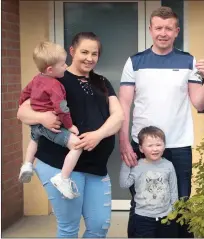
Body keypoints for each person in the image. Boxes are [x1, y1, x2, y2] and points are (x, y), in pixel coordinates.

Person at [16, 32, 124, 238]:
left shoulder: (102, 81)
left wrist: (98, 135)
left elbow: (118, 116)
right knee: (69, 228)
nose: (89, 58)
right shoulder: (56, 76)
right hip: (60, 166)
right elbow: (22, 111)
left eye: (95, 53)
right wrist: (43, 118)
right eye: (84, 52)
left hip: (96, 166)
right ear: (72, 51)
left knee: (99, 227)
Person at [118, 6, 204, 238]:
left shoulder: (187, 61)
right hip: (141, 146)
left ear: (176, 31)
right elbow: (124, 106)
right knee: (141, 203)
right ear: (150, 29)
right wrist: (124, 144)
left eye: (169, 28)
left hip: (178, 146)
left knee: (180, 203)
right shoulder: (135, 62)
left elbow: (200, 103)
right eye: (158, 27)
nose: (163, 33)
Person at [18, 41, 83, 200]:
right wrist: (70, 126)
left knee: (34, 140)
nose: (66, 66)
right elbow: (62, 109)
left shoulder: (36, 79)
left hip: (36, 125)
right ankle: (63, 178)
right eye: (62, 64)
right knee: (76, 146)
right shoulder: (55, 86)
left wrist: (26, 105)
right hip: (51, 127)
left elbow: (25, 93)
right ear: (50, 69)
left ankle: (27, 164)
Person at [120, 126, 178, 238]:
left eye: (158, 145)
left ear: (164, 146)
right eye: (150, 145)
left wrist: (173, 211)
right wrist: (126, 162)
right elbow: (124, 184)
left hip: (166, 217)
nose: (155, 149)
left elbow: (173, 189)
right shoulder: (137, 166)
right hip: (142, 218)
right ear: (141, 148)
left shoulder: (168, 165)